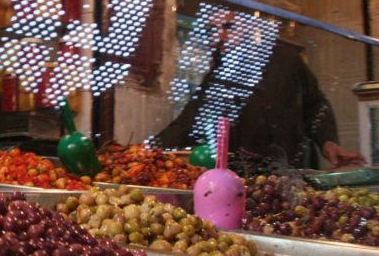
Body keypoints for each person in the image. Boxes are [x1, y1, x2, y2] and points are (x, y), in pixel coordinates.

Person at [152, 9, 364, 169]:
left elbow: (315, 104)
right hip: (248, 180)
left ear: (250, 28)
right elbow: (188, 123)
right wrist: (147, 150)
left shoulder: (287, 61)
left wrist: (328, 141)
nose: (219, 37)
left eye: (228, 27)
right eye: (212, 30)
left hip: (296, 173)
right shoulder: (217, 76)